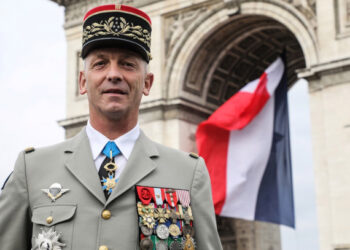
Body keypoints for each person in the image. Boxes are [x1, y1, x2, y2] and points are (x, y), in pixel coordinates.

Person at [0, 4, 222, 250]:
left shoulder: (189, 174)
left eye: (127, 64)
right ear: (83, 81)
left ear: (148, 83)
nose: (113, 74)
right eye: (100, 64)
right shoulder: (31, 170)